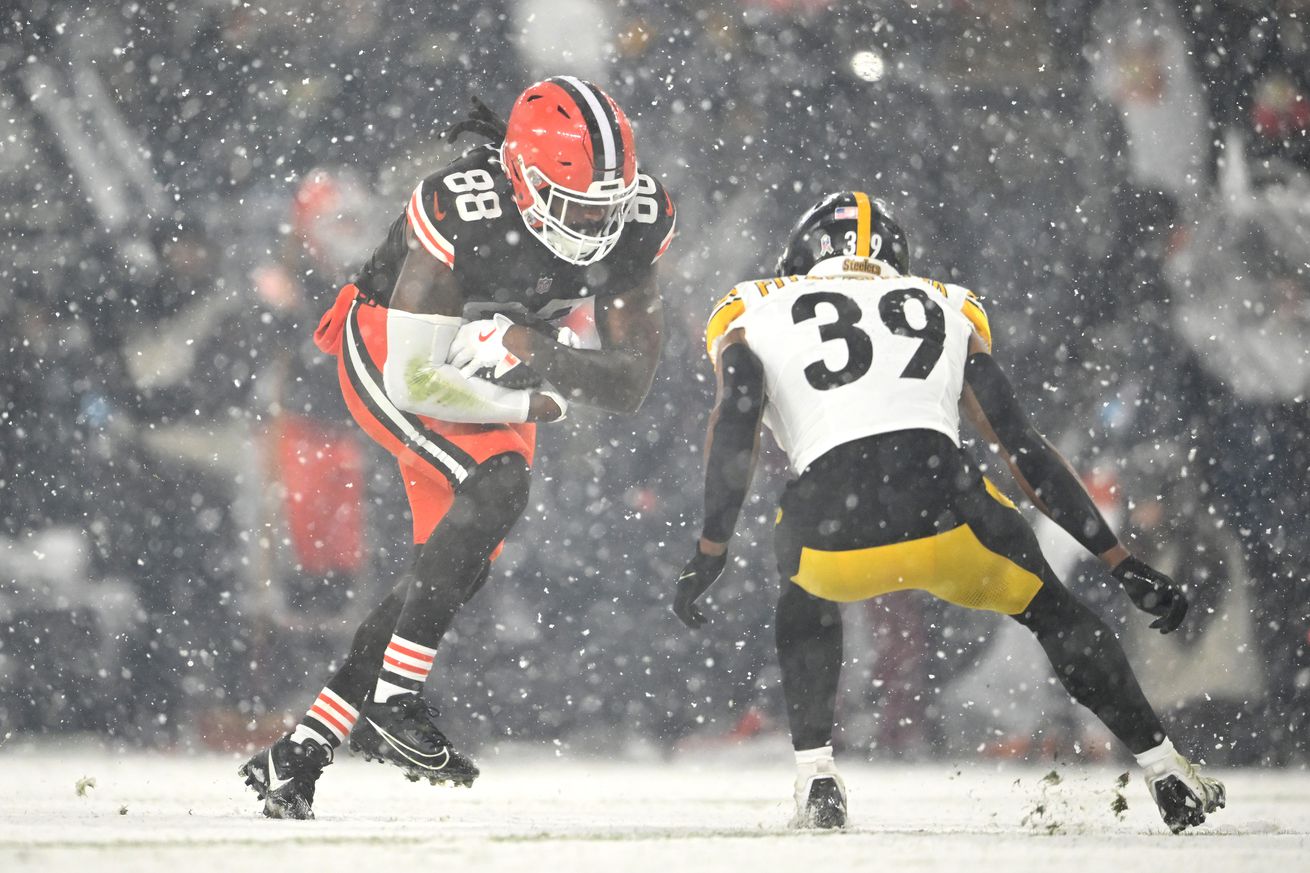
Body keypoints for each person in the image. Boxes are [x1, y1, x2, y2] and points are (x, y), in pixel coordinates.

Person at [672, 192, 1224, 833]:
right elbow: (1020, 446)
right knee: (1053, 611)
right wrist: (1118, 559)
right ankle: (1164, 768)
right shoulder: (946, 304)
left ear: (800, 255)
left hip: (829, 539)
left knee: (802, 590)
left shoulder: (752, 306)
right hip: (950, 516)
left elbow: (735, 416)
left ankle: (816, 776)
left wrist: (711, 547)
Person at [239, 76, 676, 819]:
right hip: (386, 349)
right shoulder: (460, 205)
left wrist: (526, 347)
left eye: (607, 205)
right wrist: (530, 384)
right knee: (500, 480)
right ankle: (395, 698)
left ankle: (303, 751)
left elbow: (629, 382)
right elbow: (414, 380)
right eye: (574, 204)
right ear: (518, 177)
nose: (594, 225)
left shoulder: (639, 217)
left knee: (449, 571)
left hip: (496, 363)